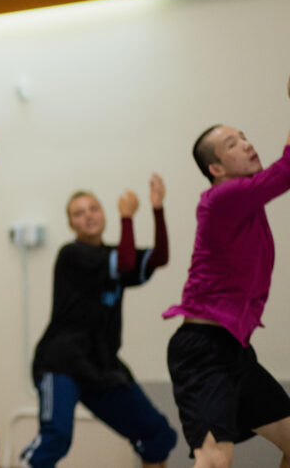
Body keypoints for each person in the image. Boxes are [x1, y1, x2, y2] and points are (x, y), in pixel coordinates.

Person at [163, 79, 290, 468]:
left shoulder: (245, 201)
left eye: (244, 137)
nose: (247, 144)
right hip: (202, 353)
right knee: (214, 459)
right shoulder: (222, 198)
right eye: (232, 144)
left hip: (235, 351)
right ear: (215, 168)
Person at [20, 177, 176, 468]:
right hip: (61, 362)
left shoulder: (115, 253)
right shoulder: (72, 254)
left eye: (93, 208)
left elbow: (159, 258)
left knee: (157, 434)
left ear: (103, 214)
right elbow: (127, 263)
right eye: (79, 213)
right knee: (56, 438)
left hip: (101, 366)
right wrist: (127, 217)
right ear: (70, 224)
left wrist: (157, 210)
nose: (88, 215)